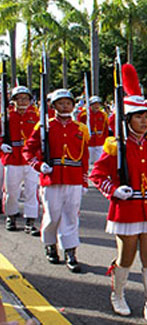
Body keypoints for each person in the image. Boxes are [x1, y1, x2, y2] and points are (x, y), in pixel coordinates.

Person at [89, 63, 147, 324]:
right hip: (127, 208)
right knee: (126, 255)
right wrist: (113, 190)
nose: (144, 121)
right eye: (138, 116)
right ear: (127, 119)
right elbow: (97, 175)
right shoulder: (115, 146)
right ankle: (118, 294)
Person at [23, 88, 89, 273]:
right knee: (52, 215)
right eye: (61, 103)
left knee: (71, 216)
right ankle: (50, 244)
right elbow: (28, 150)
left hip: (73, 178)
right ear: (54, 106)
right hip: (51, 178)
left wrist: (84, 181)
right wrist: (38, 165)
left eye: (68, 103)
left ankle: (70, 251)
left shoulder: (81, 129)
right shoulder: (45, 126)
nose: (65, 106)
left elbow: (84, 156)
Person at [2, 86, 41, 235]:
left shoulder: (36, 116)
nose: (22, 101)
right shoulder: (7, 117)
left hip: (31, 160)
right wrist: (2, 145)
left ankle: (30, 221)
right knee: (12, 191)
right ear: (13, 101)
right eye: (19, 98)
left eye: (25, 98)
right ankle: (11, 216)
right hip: (13, 158)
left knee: (32, 191)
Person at [78, 96, 109, 166]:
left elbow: (106, 129)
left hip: (100, 142)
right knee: (87, 163)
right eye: (95, 104)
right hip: (89, 142)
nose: (97, 106)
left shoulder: (103, 115)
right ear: (90, 105)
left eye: (98, 104)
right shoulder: (84, 115)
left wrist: (105, 140)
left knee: (100, 163)